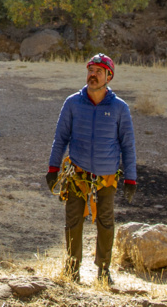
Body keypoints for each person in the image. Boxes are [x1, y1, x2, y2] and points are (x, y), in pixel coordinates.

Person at [46, 54, 137, 286]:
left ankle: (103, 271)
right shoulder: (72, 103)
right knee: (73, 220)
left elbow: (128, 145)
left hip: (107, 176)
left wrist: (131, 179)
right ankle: (72, 269)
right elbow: (60, 138)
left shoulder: (120, 108)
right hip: (77, 173)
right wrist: (53, 168)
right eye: (90, 70)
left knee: (105, 221)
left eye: (98, 71)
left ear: (109, 77)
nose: (93, 75)